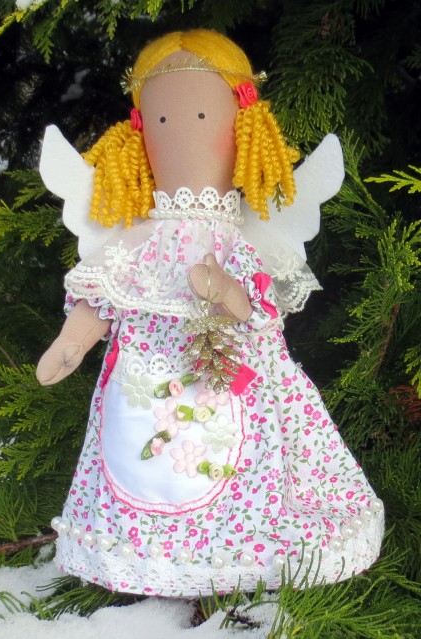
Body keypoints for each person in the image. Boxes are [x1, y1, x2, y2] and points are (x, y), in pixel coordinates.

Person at [37, 29, 384, 597]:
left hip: (230, 376)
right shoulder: (137, 241)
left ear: (242, 126)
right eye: (163, 120)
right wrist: (71, 342)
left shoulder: (238, 245)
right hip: (147, 378)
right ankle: (151, 553)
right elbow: (103, 293)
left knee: (245, 456)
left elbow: (259, 312)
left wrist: (225, 289)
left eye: (201, 115)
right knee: (146, 450)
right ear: (141, 131)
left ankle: (239, 551)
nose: (181, 129)